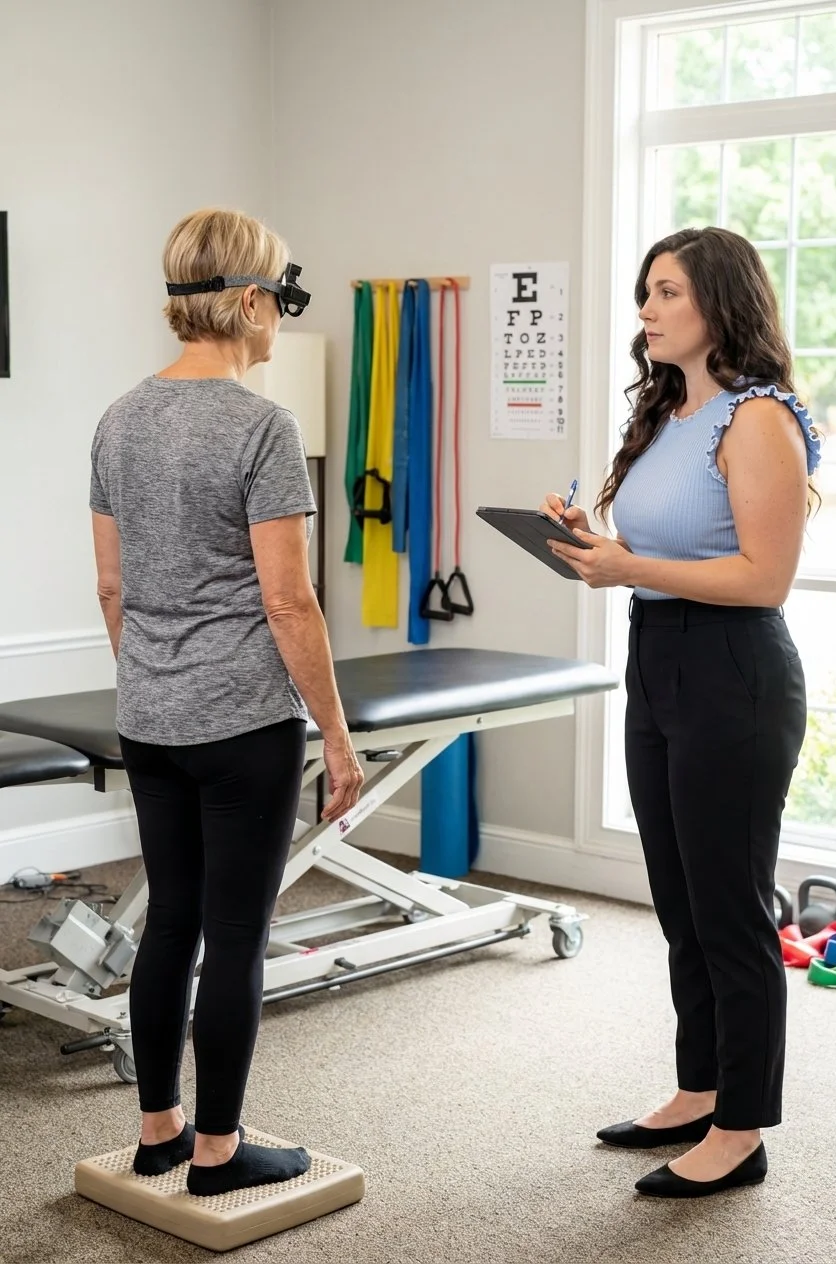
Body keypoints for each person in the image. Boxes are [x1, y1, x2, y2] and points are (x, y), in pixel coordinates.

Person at [541, 226, 821, 1200]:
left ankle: (741, 1129)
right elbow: (661, 549)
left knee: (730, 910)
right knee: (680, 903)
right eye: (645, 293)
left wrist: (626, 565)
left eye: (665, 292)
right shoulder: (670, 416)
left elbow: (763, 577)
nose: (647, 310)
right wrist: (594, 544)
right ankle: (699, 1086)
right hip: (657, 657)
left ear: (719, 302)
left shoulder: (760, 421)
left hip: (733, 669)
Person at [90, 207, 364, 1198]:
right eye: (280, 301)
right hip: (244, 725)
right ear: (251, 302)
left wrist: (155, 680)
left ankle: (159, 1127)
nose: (280, 321)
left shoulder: (117, 418)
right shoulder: (262, 426)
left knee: (172, 921)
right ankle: (217, 1149)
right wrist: (336, 735)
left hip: (150, 719)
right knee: (237, 936)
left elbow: (113, 589)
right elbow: (289, 600)